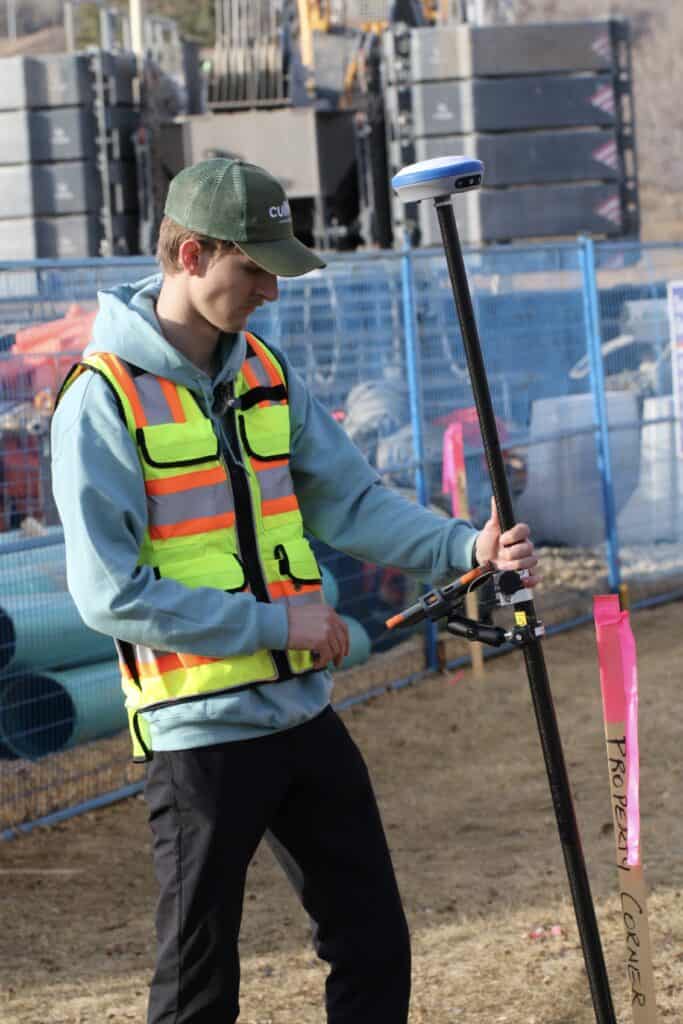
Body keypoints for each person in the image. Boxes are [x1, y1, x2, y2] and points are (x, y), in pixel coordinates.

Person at [50, 158, 539, 1024]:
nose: (271, 291)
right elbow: (108, 593)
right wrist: (278, 623)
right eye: (255, 269)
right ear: (192, 254)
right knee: (198, 988)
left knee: (374, 945)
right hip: (198, 736)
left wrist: (468, 545)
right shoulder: (102, 402)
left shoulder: (265, 374)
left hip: (300, 715)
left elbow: (350, 502)